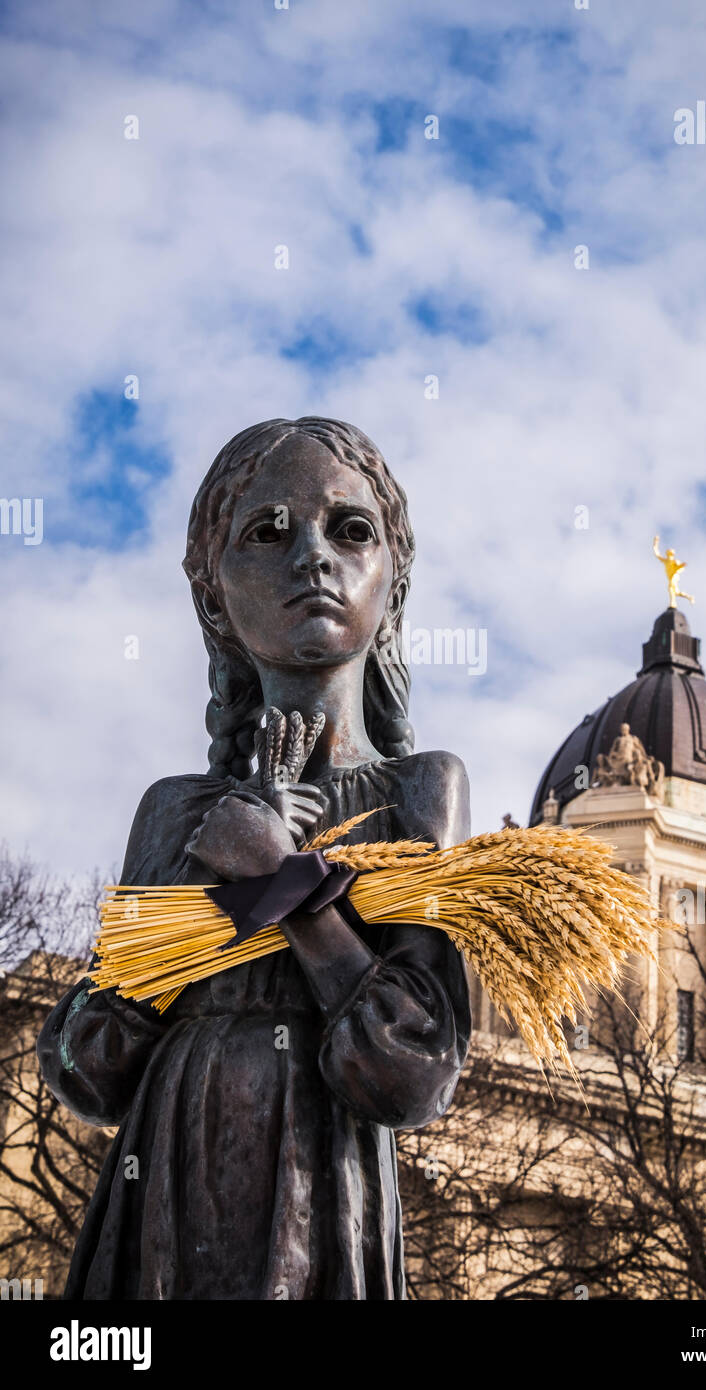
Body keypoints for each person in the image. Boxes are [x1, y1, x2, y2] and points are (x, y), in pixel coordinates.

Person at [37, 417, 472, 1300]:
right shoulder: (173, 812)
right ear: (212, 594)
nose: (312, 555)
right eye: (267, 532)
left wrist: (286, 882)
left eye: (350, 529)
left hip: (326, 1186)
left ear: (395, 580)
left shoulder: (421, 791)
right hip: (167, 1177)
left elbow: (413, 1072)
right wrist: (215, 871)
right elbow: (87, 1064)